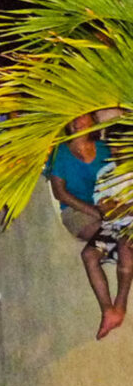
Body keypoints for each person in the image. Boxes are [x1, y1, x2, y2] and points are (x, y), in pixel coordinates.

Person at [49, 114, 133, 339]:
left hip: (116, 218)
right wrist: (102, 211)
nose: (78, 123)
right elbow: (61, 192)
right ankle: (110, 309)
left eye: (84, 119)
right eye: (75, 120)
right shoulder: (62, 153)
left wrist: (114, 210)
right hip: (83, 211)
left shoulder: (105, 151)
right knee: (96, 252)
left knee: (123, 246)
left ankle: (118, 307)